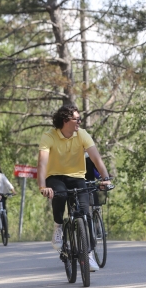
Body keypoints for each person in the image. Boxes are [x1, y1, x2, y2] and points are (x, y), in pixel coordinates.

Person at [37, 105, 111, 272]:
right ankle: (58, 226)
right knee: (60, 195)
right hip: (55, 176)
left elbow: (96, 158)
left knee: (85, 213)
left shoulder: (82, 134)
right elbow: (42, 163)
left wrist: (105, 178)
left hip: (77, 177)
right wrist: (42, 186)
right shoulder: (49, 136)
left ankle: (89, 253)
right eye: (76, 119)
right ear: (65, 121)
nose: (79, 122)